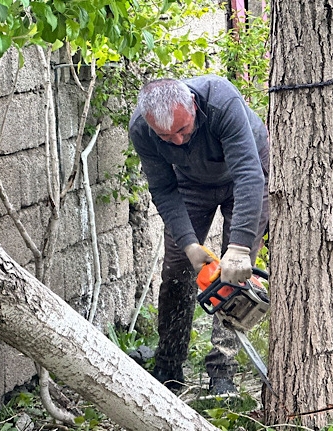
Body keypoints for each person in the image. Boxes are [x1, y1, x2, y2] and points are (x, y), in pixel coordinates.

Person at [129, 75, 269, 395]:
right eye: (167, 136)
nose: (177, 140)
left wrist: (238, 247)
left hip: (245, 179)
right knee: (177, 267)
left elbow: (249, 174)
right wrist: (189, 244)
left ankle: (223, 369)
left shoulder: (221, 102)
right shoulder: (142, 129)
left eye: (182, 129)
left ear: (192, 104)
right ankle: (169, 364)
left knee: (234, 274)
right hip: (191, 182)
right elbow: (163, 189)